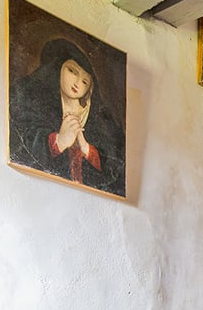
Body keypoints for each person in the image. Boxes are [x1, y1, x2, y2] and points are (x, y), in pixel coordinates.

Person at [9, 37, 124, 194]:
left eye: (85, 82)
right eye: (72, 71)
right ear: (58, 69)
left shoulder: (98, 118)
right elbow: (21, 136)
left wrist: (86, 149)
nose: (77, 83)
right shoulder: (29, 95)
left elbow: (113, 162)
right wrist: (58, 141)